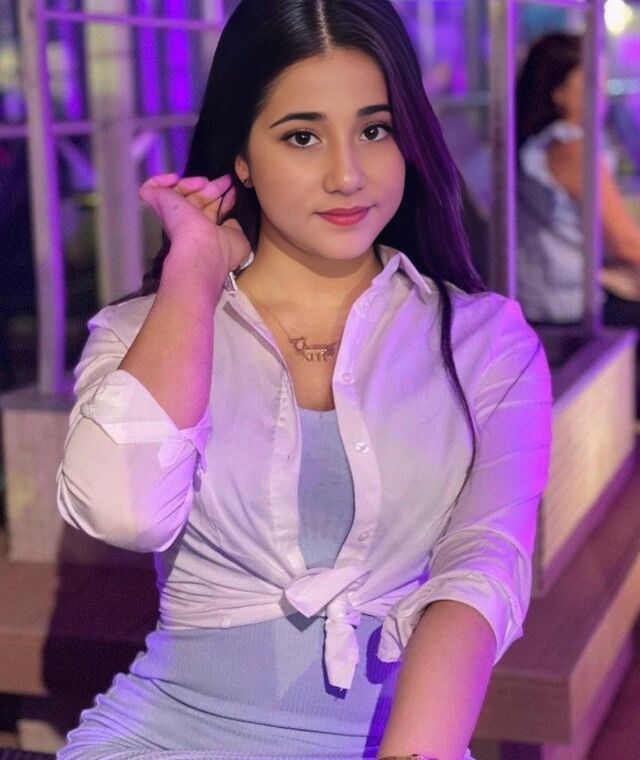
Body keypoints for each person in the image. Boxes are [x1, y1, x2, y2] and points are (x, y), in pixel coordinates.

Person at [56, 2, 552, 758]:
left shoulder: (486, 343)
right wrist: (193, 269)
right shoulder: (145, 333)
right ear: (242, 158)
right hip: (162, 737)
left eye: (375, 130)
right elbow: (124, 514)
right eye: (302, 136)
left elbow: (482, 571)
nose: (347, 174)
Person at [516, 32, 640, 326]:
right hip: (568, 307)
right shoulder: (572, 147)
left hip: (553, 294)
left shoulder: (543, 143)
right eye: (590, 81)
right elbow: (625, 243)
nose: (602, 92)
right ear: (558, 92)